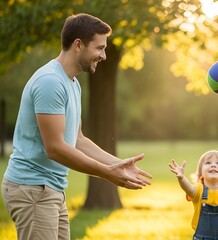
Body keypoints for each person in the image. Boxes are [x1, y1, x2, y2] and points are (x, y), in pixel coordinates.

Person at [1, 13, 153, 240]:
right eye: (100, 48)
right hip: (33, 189)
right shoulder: (50, 82)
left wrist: (117, 164)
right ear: (78, 45)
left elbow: (78, 139)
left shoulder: (71, 83)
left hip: (51, 189)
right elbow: (55, 148)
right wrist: (106, 174)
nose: (103, 55)